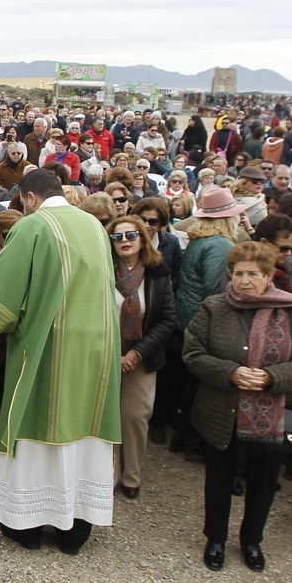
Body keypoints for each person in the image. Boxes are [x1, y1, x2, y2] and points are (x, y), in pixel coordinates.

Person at [0, 169, 121, 555]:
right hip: (96, 348)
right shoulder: (94, 224)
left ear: (28, 198)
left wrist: (4, 317)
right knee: (83, 435)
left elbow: (3, 290)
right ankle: (75, 530)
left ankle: (26, 526)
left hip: (50, 345)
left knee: (38, 428)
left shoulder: (32, 226)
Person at [183, 242, 292, 572]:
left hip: (273, 412)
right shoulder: (214, 307)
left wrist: (271, 377)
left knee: (263, 481)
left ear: (267, 275)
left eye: (252, 274)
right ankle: (216, 538)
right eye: (238, 274)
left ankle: (252, 540)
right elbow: (192, 353)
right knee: (219, 477)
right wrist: (231, 372)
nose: (244, 281)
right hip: (224, 409)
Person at [110, 213, 178, 500]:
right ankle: (108, 474)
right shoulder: (103, 271)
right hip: (108, 354)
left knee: (135, 416)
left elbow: (167, 319)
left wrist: (137, 354)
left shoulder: (158, 273)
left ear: (142, 239)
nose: (124, 241)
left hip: (143, 355)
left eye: (130, 235)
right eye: (117, 237)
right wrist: (115, 353)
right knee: (108, 415)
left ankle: (132, 475)